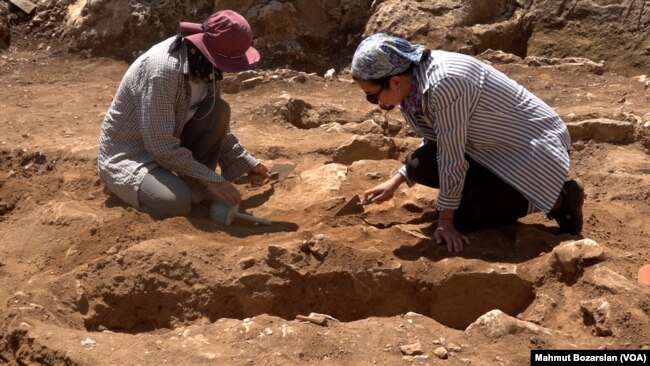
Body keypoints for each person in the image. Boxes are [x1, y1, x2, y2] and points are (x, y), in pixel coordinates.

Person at [351, 33, 584, 253]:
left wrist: (446, 221)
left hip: (532, 151)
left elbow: (451, 156)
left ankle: (559, 198)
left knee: (463, 218)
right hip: (490, 146)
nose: (373, 101)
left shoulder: (445, 84)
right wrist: (397, 180)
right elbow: (436, 139)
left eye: (372, 95)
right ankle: (487, 191)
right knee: (415, 166)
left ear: (394, 81)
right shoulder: (411, 85)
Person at [98, 10, 270, 219]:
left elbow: (219, 129)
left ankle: (192, 186)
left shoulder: (205, 66)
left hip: (172, 144)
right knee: (176, 204)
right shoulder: (162, 72)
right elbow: (159, 145)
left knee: (218, 111)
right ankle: (126, 188)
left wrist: (245, 162)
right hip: (133, 154)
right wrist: (211, 180)